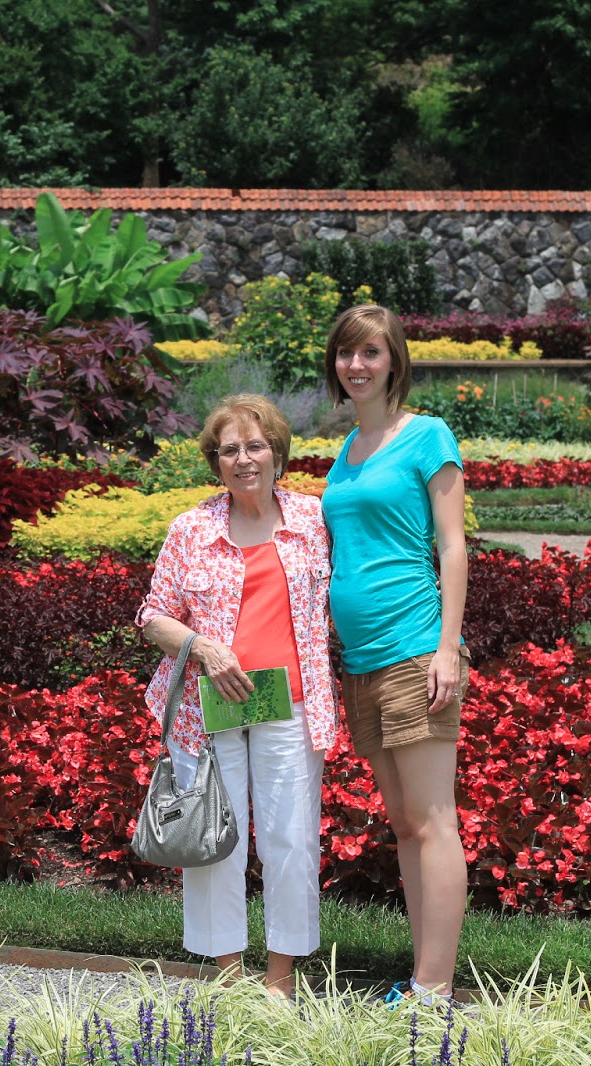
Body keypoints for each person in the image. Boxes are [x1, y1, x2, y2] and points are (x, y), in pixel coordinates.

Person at [135, 394, 336, 999]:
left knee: (291, 839)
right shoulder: (191, 528)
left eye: (255, 446)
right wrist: (203, 648)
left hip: (291, 703)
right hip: (209, 709)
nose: (243, 459)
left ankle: (280, 980)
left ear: (277, 453)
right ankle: (226, 976)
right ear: (215, 461)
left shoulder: (315, 520)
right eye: (229, 450)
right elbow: (152, 616)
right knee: (214, 836)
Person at [320, 305, 469, 1009]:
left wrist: (447, 649)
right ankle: (421, 973)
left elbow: (453, 547)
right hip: (363, 661)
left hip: (415, 649)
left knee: (434, 819)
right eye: (347, 354)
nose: (357, 365)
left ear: (394, 361)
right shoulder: (347, 450)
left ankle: (434, 989)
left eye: (371, 353)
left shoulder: (427, 435)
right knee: (406, 823)